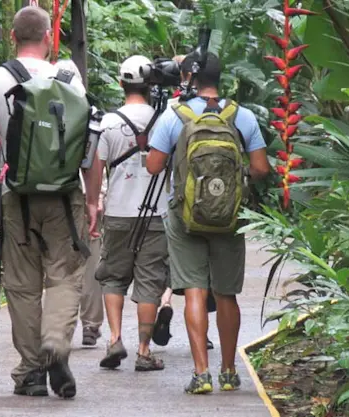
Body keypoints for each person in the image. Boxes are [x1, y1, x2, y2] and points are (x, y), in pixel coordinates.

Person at [0, 6, 102, 399]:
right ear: (48, 38)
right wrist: (93, 200)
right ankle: (55, 344)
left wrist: (1, 147)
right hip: (64, 196)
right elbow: (89, 141)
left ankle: (30, 373)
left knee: (23, 286)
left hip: (16, 197)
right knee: (65, 275)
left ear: (12, 37)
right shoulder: (69, 78)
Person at [146, 51, 271, 394]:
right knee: (226, 293)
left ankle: (201, 374)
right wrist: (232, 183)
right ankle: (229, 372)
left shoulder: (175, 116)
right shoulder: (242, 116)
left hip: (185, 215)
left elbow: (153, 166)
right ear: (220, 78)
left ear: (189, 78)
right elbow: (261, 168)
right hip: (229, 215)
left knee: (194, 291)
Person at [94, 55, 168, 372]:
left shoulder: (107, 123)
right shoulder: (165, 120)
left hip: (118, 212)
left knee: (113, 276)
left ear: (120, 83)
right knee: (150, 282)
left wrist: (93, 205)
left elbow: (96, 168)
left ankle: (114, 339)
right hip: (156, 213)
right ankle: (143, 351)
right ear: (151, 85)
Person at [56, 58, 105, 347]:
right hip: (79, 194)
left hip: (46, 195)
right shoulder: (87, 111)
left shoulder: (40, 108)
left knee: (56, 265)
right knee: (89, 259)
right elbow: (92, 161)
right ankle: (91, 324)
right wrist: (94, 201)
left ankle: (58, 326)